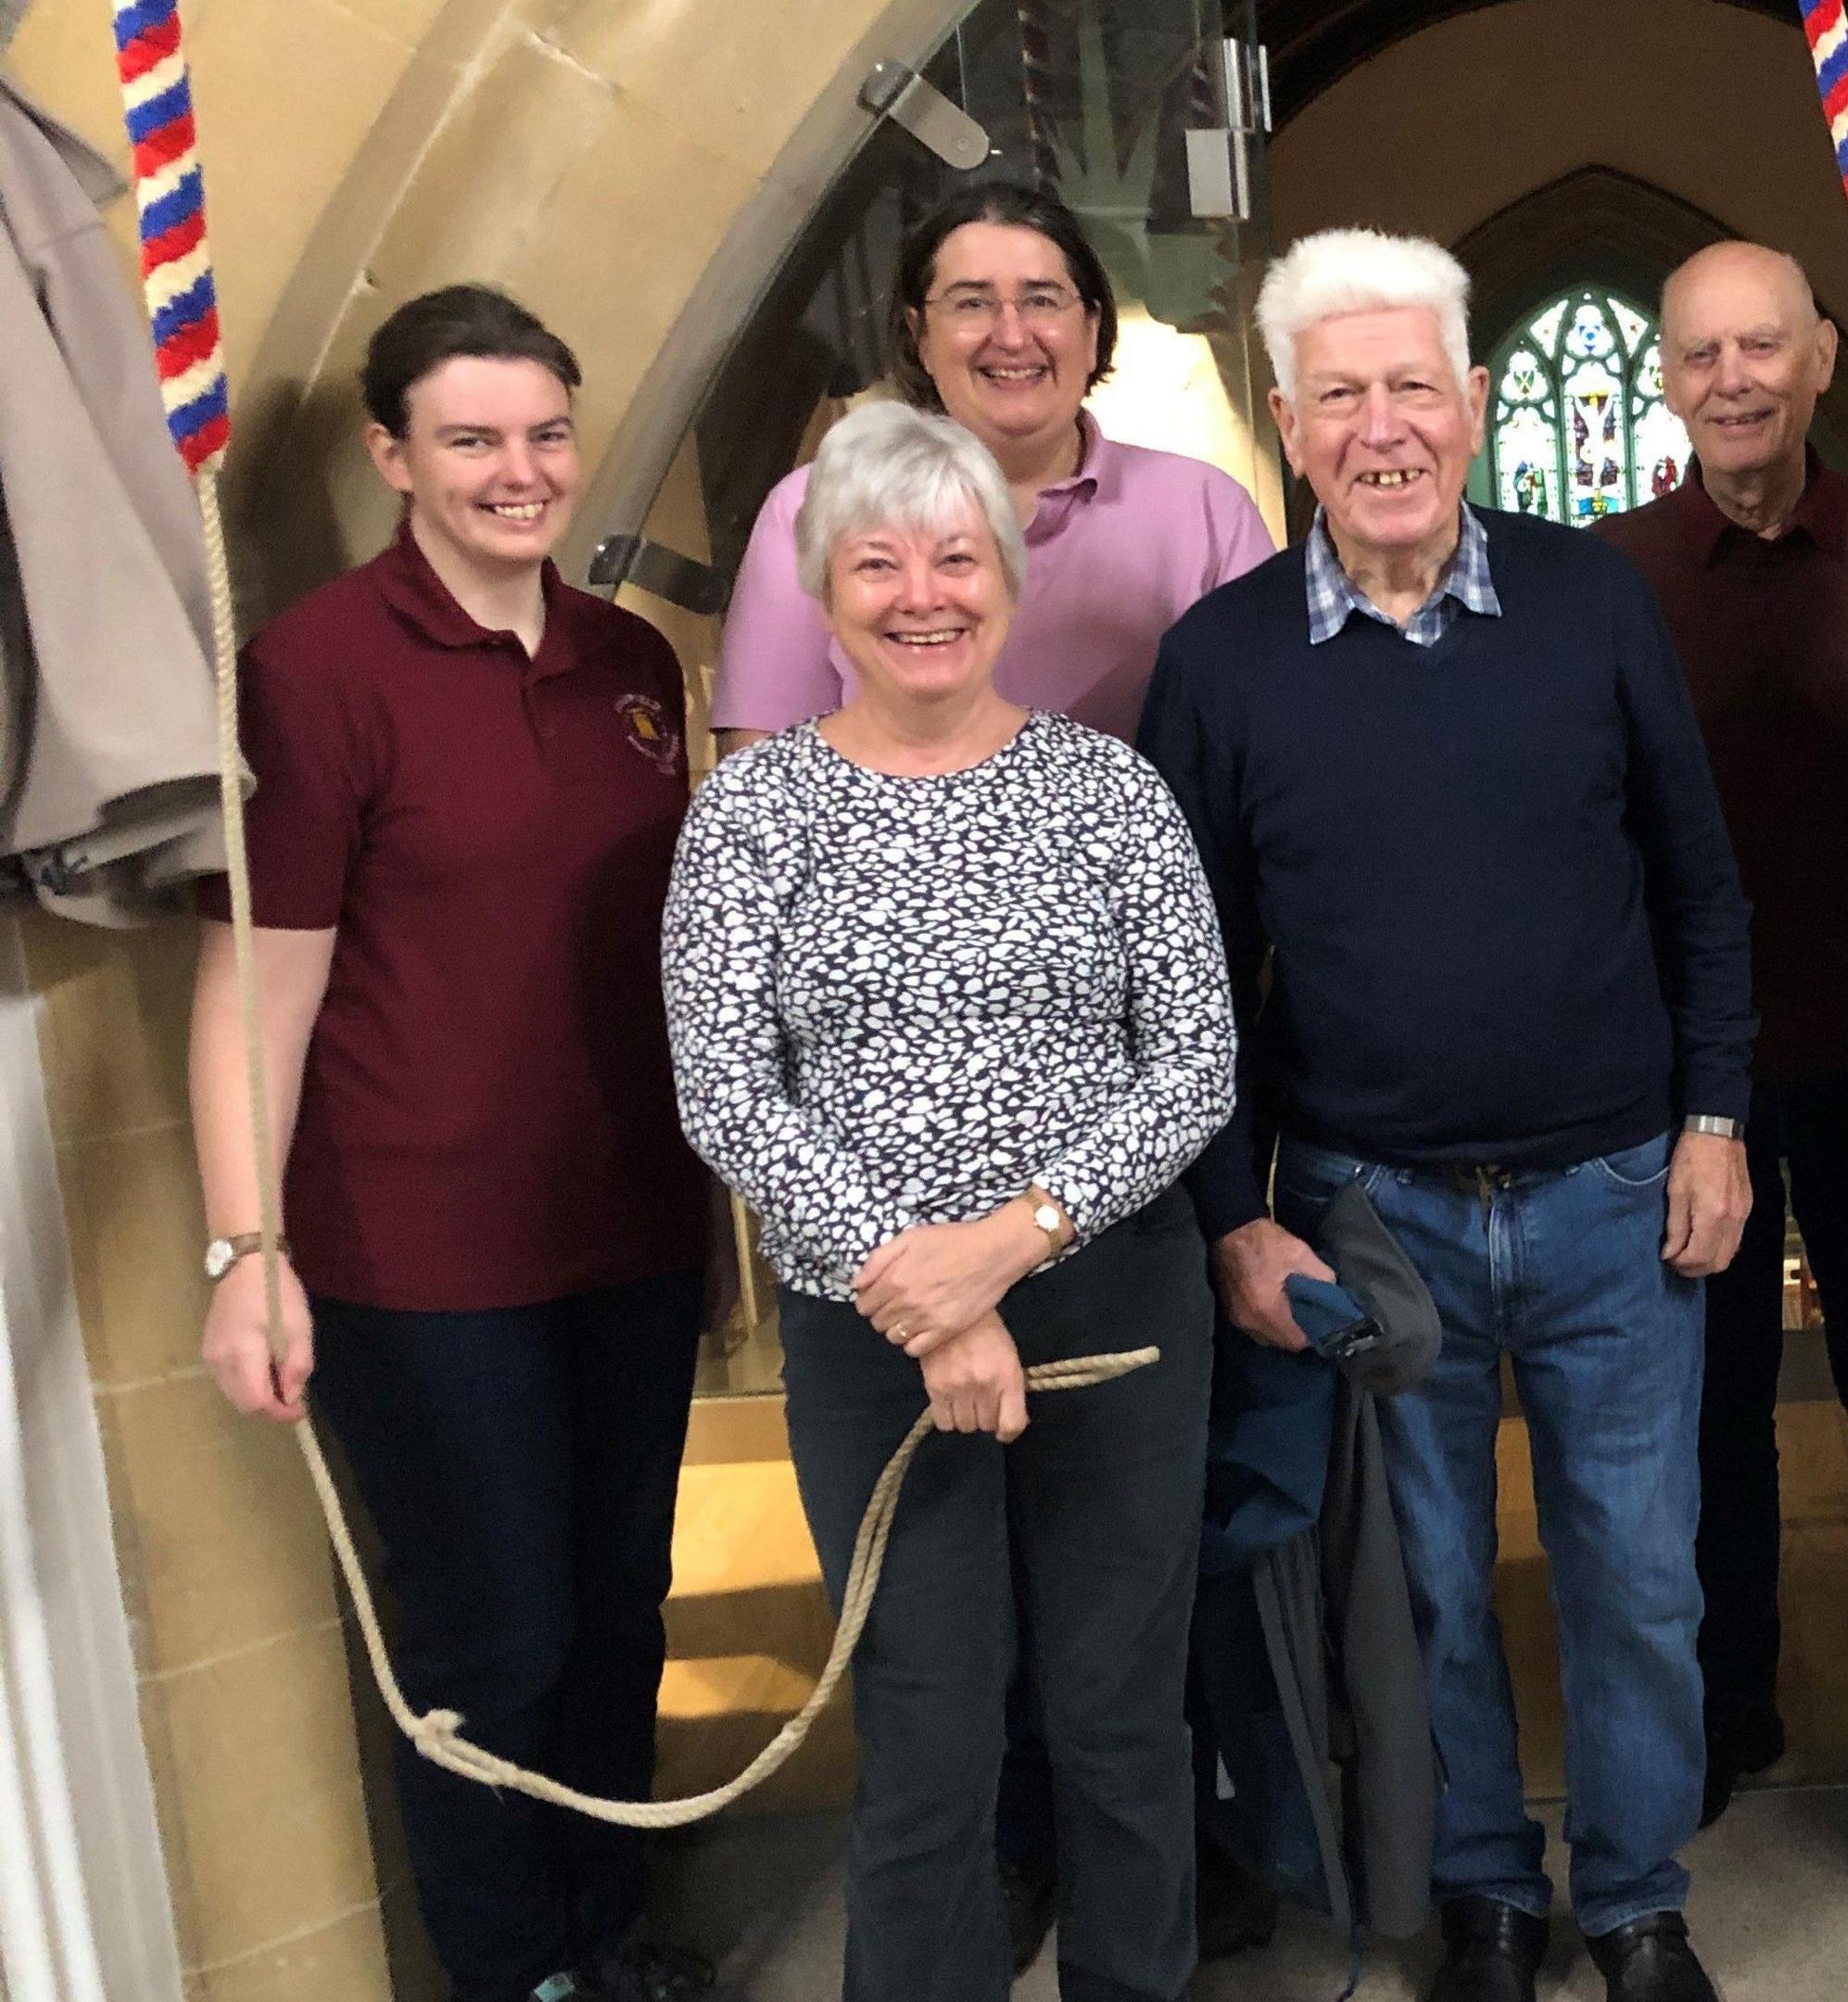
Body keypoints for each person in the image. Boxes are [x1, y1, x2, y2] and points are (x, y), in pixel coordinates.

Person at [1137, 227, 1753, 2002]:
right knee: (1426, 1599)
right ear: (1287, 421)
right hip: (1365, 1210)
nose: (1383, 426)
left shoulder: (1591, 604)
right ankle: (1481, 1889)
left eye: (1415, 385)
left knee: (1640, 1580)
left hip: (1616, 1191)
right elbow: (1194, 979)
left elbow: (1700, 887)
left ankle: (1636, 1899)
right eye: (1343, 394)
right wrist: (1231, 1217)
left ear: (1478, 406)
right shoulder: (1221, 660)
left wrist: (1715, 1114)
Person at [702, 178, 1273, 1963]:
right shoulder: (758, 814)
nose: (924, 596)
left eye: (959, 561)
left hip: (1108, 1288)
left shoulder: (1111, 795)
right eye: (880, 563)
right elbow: (729, 1086)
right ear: (825, 586)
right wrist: (929, 1292)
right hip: (871, 1324)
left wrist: (1009, 1241)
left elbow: (1190, 1061)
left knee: (1120, 1729)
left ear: (1009, 581)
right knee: (931, 1749)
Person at [186, 285, 718, 2002]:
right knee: (497, 1640)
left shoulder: (632, 662)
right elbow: (255, 993)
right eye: (473, 438)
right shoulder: (316, 672)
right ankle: (517, 1975)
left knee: (623, 1613)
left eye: (545, 433)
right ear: (391, 454)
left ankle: (610, 1946)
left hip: (627, 1227)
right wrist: (241, 1252)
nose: (519, 470)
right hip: (425, 1260)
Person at [1593, 239, 1848, 1848]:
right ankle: (1727, 1697)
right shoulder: (1608, 575)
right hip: (1697, 1078)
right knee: (1705, 1413)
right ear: (1669, 379)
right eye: (1702, 354)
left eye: (1764, 347)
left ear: (1825, 357)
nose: (1734, 380)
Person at [710, 179, 1273, 754]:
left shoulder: (1207, 510)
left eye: (1042, 299)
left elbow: (1266, 745)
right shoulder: (816, 507)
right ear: (920, 337)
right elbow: (762, 776)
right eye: (971, 302)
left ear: (1093, 327)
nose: (1011, 335)